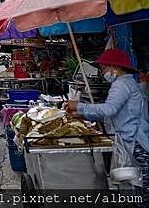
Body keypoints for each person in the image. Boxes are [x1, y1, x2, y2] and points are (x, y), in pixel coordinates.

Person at [64, 50, 149, 198]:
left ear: (114, 67)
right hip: (133, 140)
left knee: (141, 188)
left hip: (135, 142)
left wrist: (79, 106)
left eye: (103, 68)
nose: (103, 72)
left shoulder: (121, 85)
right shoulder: (127, 82)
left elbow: (109, 109)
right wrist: (83, 113)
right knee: (137, 187)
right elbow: (114, 112)